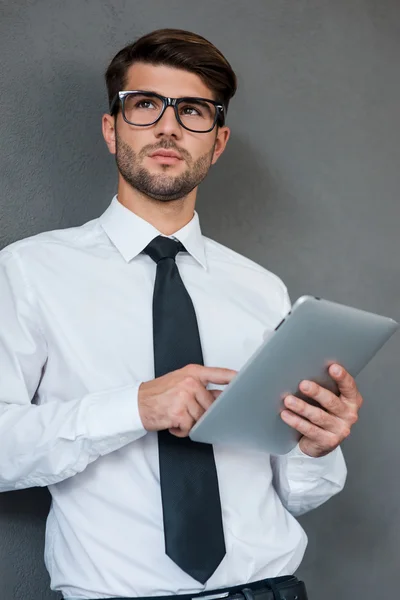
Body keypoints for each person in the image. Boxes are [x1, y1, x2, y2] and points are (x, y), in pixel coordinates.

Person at [0, 28, 362, 600]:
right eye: (145, 105)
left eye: (192, 111)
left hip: (269, 590)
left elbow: (296, 494)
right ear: (110, 128)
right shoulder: (27, 272)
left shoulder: (262, 290)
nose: (168, 126)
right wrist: (133, 407)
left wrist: (316, 447)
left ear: (216, 143)